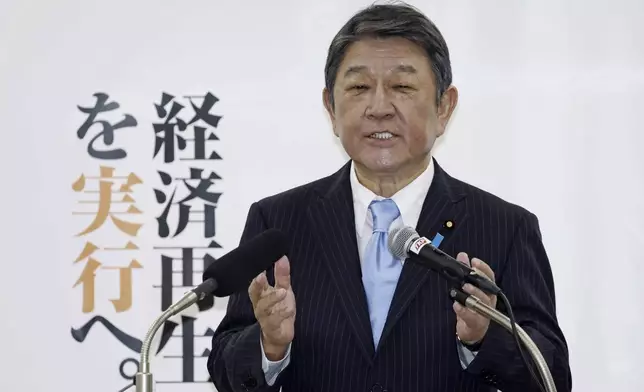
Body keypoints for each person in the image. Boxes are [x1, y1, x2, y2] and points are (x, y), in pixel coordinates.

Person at [207, 3, 572, 391]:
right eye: (359, 87)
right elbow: (227, 372)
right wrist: (270, 346)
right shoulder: (277, 222)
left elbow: (551, 376)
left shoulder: (505, 227)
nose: (379, 108)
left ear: (444, 107)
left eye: (402, 87)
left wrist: (484, 338)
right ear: (331, 107)